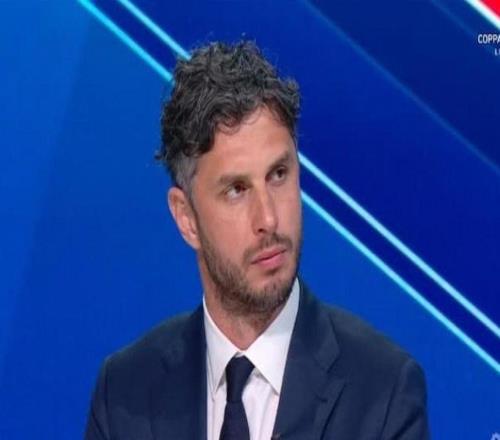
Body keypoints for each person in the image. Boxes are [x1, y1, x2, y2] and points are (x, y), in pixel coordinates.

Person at [85, 40, 429, 440]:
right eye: (236, 190)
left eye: (278, 175)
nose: (268, 218)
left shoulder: (383, 392)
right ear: (186, 218)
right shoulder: (124, 393)